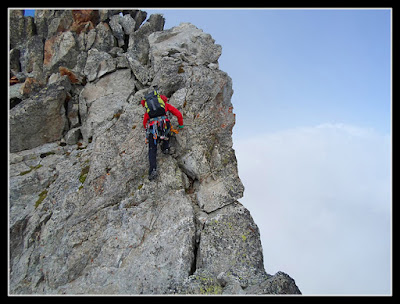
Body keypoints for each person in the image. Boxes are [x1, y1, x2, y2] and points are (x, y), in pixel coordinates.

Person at [141, 89, 184, 180]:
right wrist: (181, 125)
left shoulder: (149, 110)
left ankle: (153, 170)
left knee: (152, 149)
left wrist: (146, 129)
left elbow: (145, 122)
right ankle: (165, 148)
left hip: (153, 127)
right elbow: (178, 114)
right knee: (166, 133)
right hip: (164, 124)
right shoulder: (165, 105)